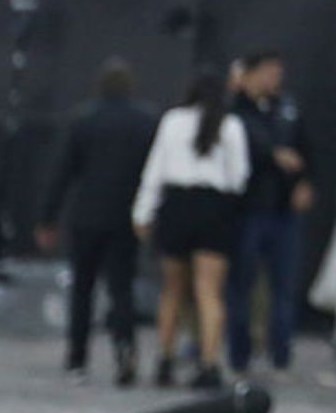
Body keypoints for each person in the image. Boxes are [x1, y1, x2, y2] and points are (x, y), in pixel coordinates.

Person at [37, 59, 159, 386]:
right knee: (122, 289)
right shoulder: (145, 121)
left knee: (83, 288)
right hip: (125, 217)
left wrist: (47, 217)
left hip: (86, 216)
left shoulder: (83, 119)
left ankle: (77, 358)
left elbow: (63, 172)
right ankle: (125, 351)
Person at [133, 68, 250, 390]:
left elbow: (154, 170)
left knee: (171, 290)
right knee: (209, 291)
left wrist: (142, 212)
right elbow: (240, 177)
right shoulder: (231, 125)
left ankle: (164, 359)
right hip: (214, 208)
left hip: (177, 206)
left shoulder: (172, 122)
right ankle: (209, 364)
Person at [226, 51, 314, 375]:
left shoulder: (287, 109)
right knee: (241, 285)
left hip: (283, 211)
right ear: (248, 75)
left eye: (277, 73)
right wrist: (271, 154)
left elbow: (307, 149)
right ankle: (239, 353)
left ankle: (281, 353)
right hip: (247, 211)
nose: (273, 79)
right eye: (267, 72)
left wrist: (305, 182)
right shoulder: (235, 112)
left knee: (283, 286)